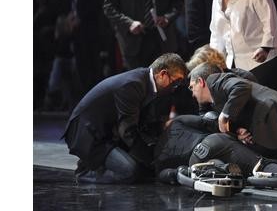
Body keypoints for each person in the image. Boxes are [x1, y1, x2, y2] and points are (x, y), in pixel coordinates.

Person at [62, 53, 188, 184]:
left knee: (143, 169)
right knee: (130, 171)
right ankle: (86, 173)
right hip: (89, 135)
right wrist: (151, 159)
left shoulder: (144, 81)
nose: (175, 87)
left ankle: (93, 163)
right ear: (163, 74)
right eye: (176, 81)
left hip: (106, 133)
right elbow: (127, 130)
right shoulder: (133, 84)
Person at [188, 63, 277, 169]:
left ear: (201, 81)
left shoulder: (215, 80)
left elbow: (241, 87)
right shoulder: (221, 93)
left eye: (192, 87)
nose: (192, 94)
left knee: (249, 157)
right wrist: (237, 130)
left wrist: (224, 117)